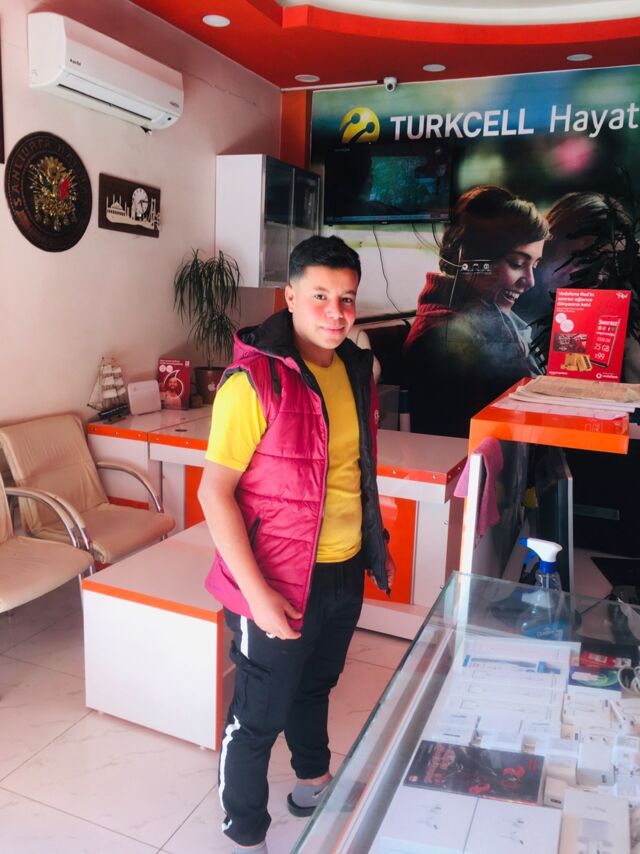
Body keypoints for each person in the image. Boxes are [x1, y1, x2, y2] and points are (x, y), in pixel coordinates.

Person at [198, 235, 396, 854]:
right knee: (258, 715)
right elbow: (213, 494)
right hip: (276, 582)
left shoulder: (355, 370)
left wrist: (375, 544)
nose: (336, 313)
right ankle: (244, 831)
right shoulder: (253, 381)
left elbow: (354, 472)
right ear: (289, 298)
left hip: (342, 571)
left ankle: (312, 782)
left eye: (347, 298)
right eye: (319, 296)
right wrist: (256, 596)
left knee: (315, 688)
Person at [403, 185, 548, 437]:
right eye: (516, 263)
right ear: (470, 260)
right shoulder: (445, 336)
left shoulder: (495, 320)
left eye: (534, 265)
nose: (530, 281)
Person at [527, 191, 640, 380]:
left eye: (612, 263)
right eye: (585, 259)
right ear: (546, 255)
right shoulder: (513, 317)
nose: (600, 276)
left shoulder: (629, 322)